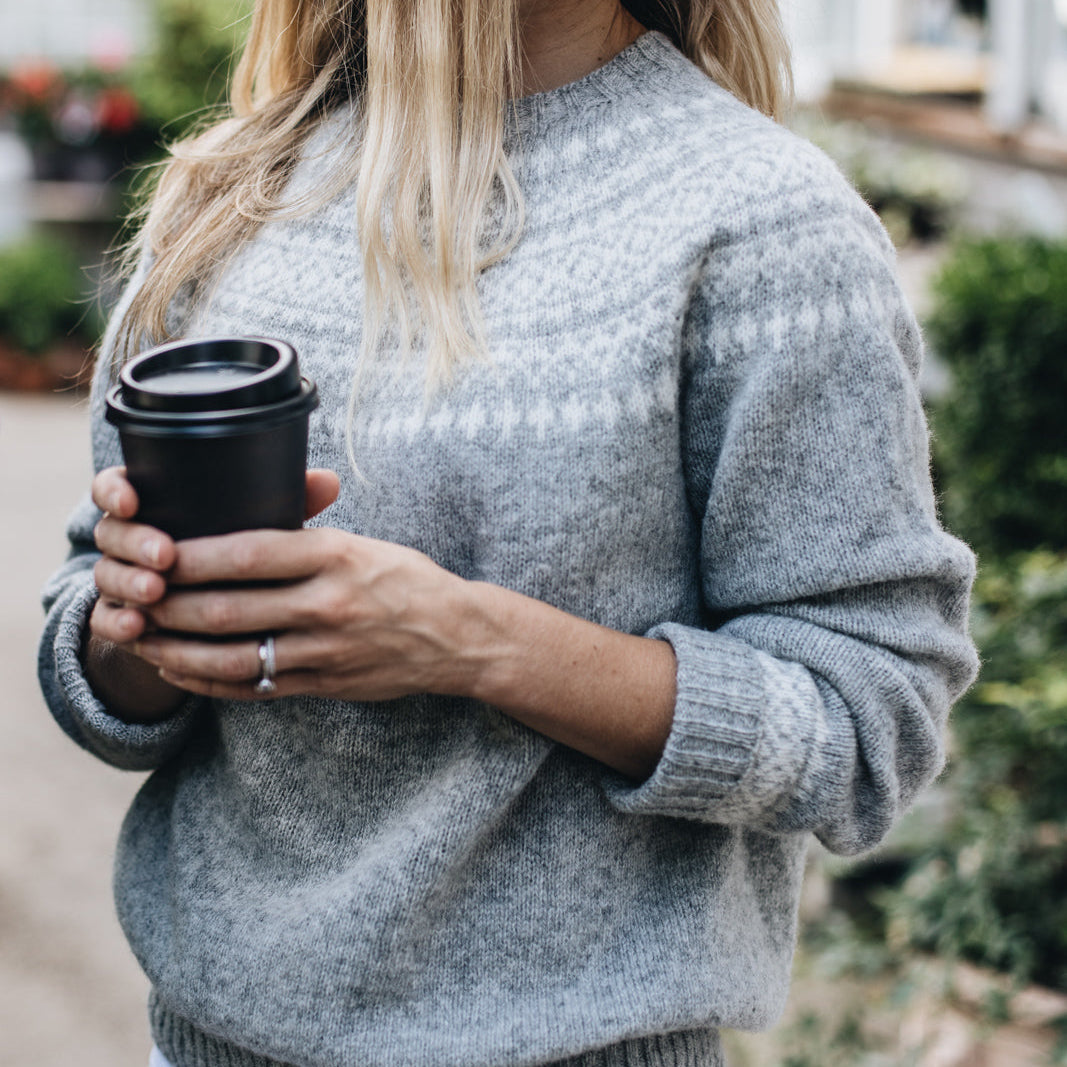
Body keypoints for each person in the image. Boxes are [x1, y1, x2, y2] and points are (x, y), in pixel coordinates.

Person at [38, 0, 980, 1063]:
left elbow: (867, 726)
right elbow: (101, 661)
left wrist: (468, 641)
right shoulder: (231, 191)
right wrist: (134, 620)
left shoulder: (762, 222)